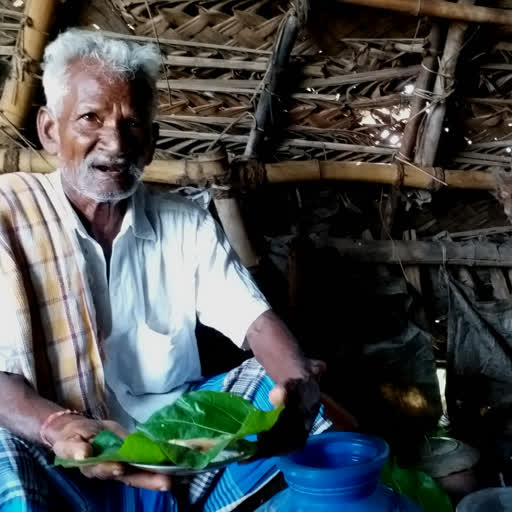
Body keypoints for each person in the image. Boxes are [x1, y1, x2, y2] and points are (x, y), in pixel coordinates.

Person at [0, 29, 331, 511]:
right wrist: (58, 427)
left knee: (281, 393)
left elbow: (255, 322)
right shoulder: (8, 217)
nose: (114, 143)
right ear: (50, 130)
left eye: (132, 124)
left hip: (178, 450)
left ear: (152, 141)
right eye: (90, 118)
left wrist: (296, 386)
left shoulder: (187, 223)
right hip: (64, 452)